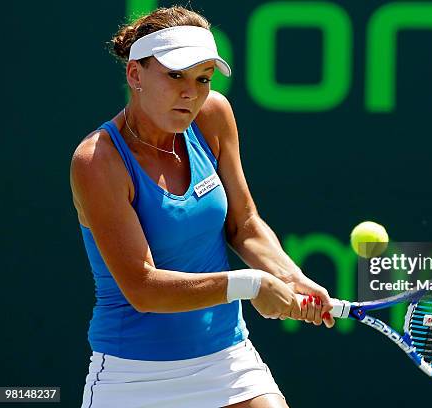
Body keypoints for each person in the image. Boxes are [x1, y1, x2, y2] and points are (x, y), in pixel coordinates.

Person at [70, 6, 334, 408]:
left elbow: (243, 224)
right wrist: (252, 284)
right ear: (135, 74)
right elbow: (143, 288)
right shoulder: (97, 161)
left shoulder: (213, 116)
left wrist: (290, 275)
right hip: (132, 377)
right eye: (175, 75)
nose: (190, 93)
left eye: (203, 79)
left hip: (226, 361)